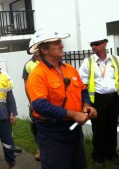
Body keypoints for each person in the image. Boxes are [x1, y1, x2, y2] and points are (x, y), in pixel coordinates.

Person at [26, 28, 97, 169]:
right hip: (53, 134)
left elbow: (83, 90)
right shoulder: (38, 74)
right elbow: (40, 105)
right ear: (45, 50)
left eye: (60, 42)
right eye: (57, 42)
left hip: (74, 133)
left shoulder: (70, 69)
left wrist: (87, 105)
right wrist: (73, 114)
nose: (62, 45)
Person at [79, 37, 119, 168]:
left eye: (96, 44)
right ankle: (98, 156)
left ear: (104, 44)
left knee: (112, 126)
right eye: (91, 44)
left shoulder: (115, 60)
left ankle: (111, 153)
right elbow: (82, 82)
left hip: (114, 98)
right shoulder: (88, 62)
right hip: (97, 99)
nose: (93, 47)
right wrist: (86, 103)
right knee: (98, 128)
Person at [22, 39, 41, 161]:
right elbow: (26, 85)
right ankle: (40, 149)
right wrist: (31, 102)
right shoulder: (29, 65)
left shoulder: (50, 62)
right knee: (36, 126)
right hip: (36, 101)